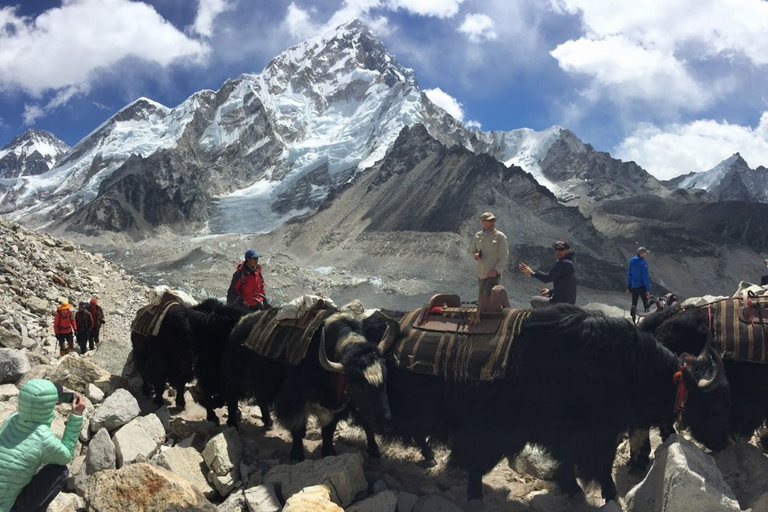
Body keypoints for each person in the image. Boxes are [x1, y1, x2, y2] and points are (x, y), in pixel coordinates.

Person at [0, 379, 85, 512]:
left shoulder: (12, 420)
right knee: (60, 471)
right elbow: (67, 455)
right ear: (49, 406)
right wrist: (76, 416)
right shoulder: (43, 438)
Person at [519, 240, 577, 308]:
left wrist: (532, 273)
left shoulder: (563, 263)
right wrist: (550, 292)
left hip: (559, 304)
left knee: (533, 300)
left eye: (561, 249)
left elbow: (547, 278)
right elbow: (565, 286)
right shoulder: (569, 263)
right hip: (569, 304)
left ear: (568, 251)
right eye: (556, 249)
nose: (558, 251)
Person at [469, 212, 509, 309]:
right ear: (483, 222)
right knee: (482, 297)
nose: (492, 223)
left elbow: (504, 256)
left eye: (493, 221)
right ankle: (481, 318)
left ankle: (490, 319)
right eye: (490, 221)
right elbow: (472, 251)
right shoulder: (477, 236)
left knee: (489, 296)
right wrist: (476, 255)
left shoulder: (500, 236)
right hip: (481, 273)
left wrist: (496, 270)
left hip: (493, 273)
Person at [627, 247, 652, 322]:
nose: (646, 254)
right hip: (642, 287)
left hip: (634, 287)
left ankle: (633, 319)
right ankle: (647, 320)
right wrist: (648, 289)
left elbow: (629, 275)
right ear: (641, 253)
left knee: (634, 303)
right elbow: (645, 277)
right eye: (645, 252)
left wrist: (629, 286)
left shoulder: (632, 262)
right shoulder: (643, 264)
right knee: (646, 304)